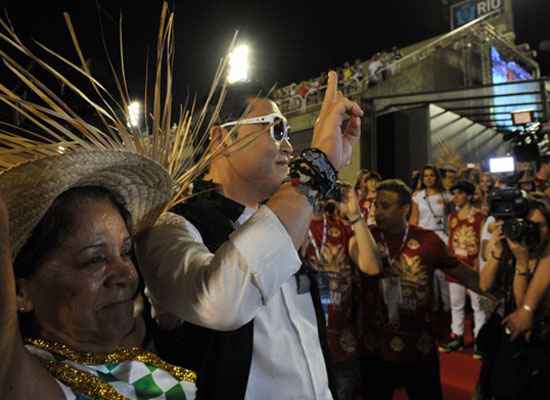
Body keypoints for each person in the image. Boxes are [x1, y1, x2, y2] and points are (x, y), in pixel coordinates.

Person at [136, 72, 363, 399]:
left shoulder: (284, 217)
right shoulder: (172, 227)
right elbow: (221, 301)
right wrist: (317, 168)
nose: (288, 145)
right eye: (276, 129)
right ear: (222, 138)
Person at [357, 179, 485, 400]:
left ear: (405, 209)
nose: (378, 211)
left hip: (418, 347)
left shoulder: (428, 241)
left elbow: (464, 274)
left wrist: (497, 290)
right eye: (376, 205)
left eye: (385, 206)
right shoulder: (366, 237)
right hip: (375, 347)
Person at [302, 185, 380, 400]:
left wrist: (356, 217)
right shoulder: (290, 228)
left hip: (341, 346)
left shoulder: (342, 228)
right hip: (304, 346)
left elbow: (371, 266)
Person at [478, 194, 550, 399]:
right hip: (508, 339)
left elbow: (522, 309)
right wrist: (499, 250)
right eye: (530, 224)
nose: (535, 230)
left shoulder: (546, 257)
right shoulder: (513, 246)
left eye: (542, 225)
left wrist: (521, 263)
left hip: (539, 342)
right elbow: (484, 285)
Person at [439, 181, 487, 358]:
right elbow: (451, 241)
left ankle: (480, 340)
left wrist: (479, 265)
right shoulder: (453, 217)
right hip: (456, 265)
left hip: (473, 266)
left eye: (459, 193)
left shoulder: (480, 218)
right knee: (456, 304)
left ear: (468, 195)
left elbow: (482, 243)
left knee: (478, 306)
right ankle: (457, 336)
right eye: (454, 193)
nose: (455, 197)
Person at [409, 165, 453, 312]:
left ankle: (448, 308)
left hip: (442, 236)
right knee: (426, 274)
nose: (428, 178)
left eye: (431, 175)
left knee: (443, 274)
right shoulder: (417, 196)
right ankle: (429, 308)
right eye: (425, 176)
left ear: (437, 177)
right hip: (423, 237)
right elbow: (414, 219)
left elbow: (452, 219)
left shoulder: (447, 196)